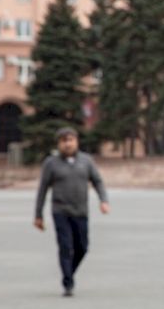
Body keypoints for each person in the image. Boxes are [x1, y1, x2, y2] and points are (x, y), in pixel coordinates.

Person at [34, 127, 110, 297]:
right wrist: (38, 215)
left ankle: (69, 272)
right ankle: (68, 282)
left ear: (76, 141)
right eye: (64, 141)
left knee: (82, 247)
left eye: (71, 140)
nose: (68, 144)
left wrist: (103, 200)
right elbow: (43, 190)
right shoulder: (51, 164)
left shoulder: (86, 161)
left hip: (81, 211)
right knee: (65, 246)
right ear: (58, 143)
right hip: (61, 211)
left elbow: (97, 181)